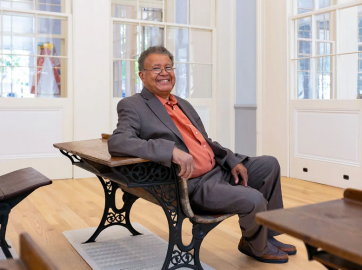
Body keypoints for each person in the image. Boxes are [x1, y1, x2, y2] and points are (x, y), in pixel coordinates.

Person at [108, 46, 296, 264]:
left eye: (168, 67)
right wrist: (170, 151)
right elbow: (119, 141)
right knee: (253, 199)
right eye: (156, 68)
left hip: (217, 170)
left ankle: (267, 236)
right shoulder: (133, 105)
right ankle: (256, 245)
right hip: (195, 184)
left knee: (269, 165)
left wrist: (231, 160)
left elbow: (206, 143)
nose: (164, 73)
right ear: (142, 75)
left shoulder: (182, 103)